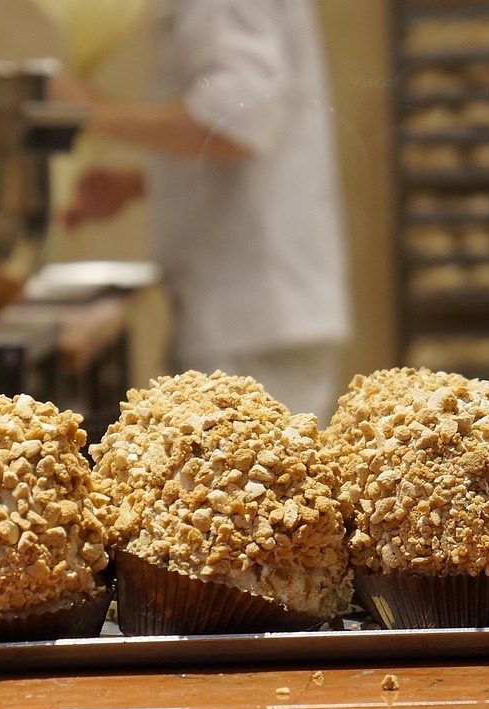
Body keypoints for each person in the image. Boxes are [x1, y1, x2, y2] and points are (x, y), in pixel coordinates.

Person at [50, 0, 352, 425]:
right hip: (251, 312)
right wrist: (141, 184)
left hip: (251, 316)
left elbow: (240, 120)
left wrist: (91, 113)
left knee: (243, 487)